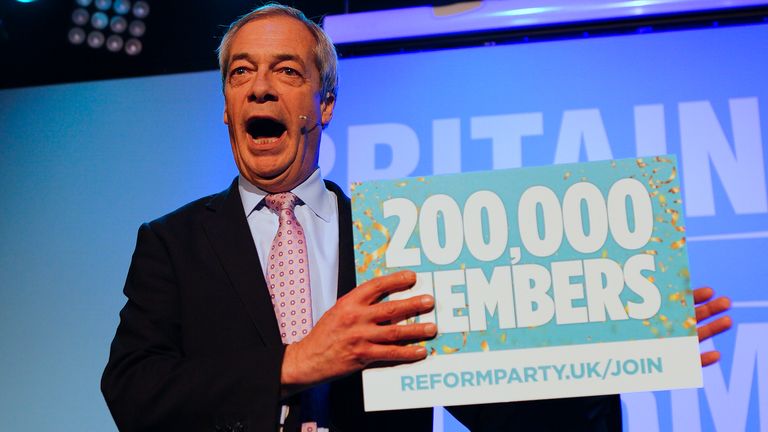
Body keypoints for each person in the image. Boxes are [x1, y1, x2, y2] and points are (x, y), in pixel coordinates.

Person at [101, 4, 732, 431]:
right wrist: (293, 365)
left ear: (324, 105)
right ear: (226, 107)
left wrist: (622, 349)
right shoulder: (173, 244)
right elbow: (133, 390)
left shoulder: (405, 239)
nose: (260, 87)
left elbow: (497, 405)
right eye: (242, 74)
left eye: (287, 71)